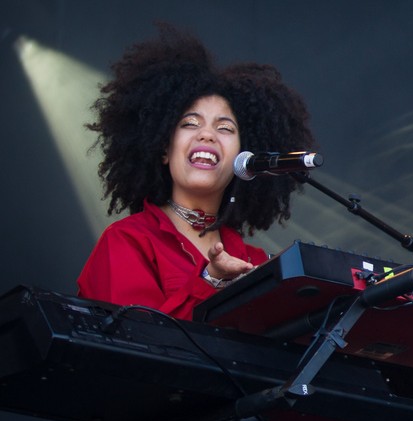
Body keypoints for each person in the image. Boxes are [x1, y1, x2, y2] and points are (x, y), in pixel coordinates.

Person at [77, 25, 316, 320]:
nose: (207, 135)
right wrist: (209, 283)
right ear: (163, 149)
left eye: (225, 128)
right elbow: (133, 346)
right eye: (190, 123)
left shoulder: (255, 263)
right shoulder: (127, 241)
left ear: (245, 158)